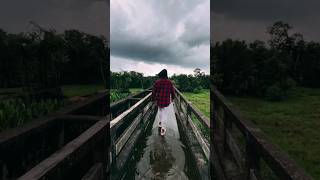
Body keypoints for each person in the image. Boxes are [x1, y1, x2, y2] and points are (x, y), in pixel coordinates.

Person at [152, 69, 175, 136]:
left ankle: (160, 123)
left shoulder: (157, 82)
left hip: (159, 100)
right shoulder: (169, 82)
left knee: (160, 111)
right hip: (166, 101)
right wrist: (173, 98)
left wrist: (153, 99)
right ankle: (163, 128)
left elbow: (153, 92)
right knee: (165, 114)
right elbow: (172, 91)